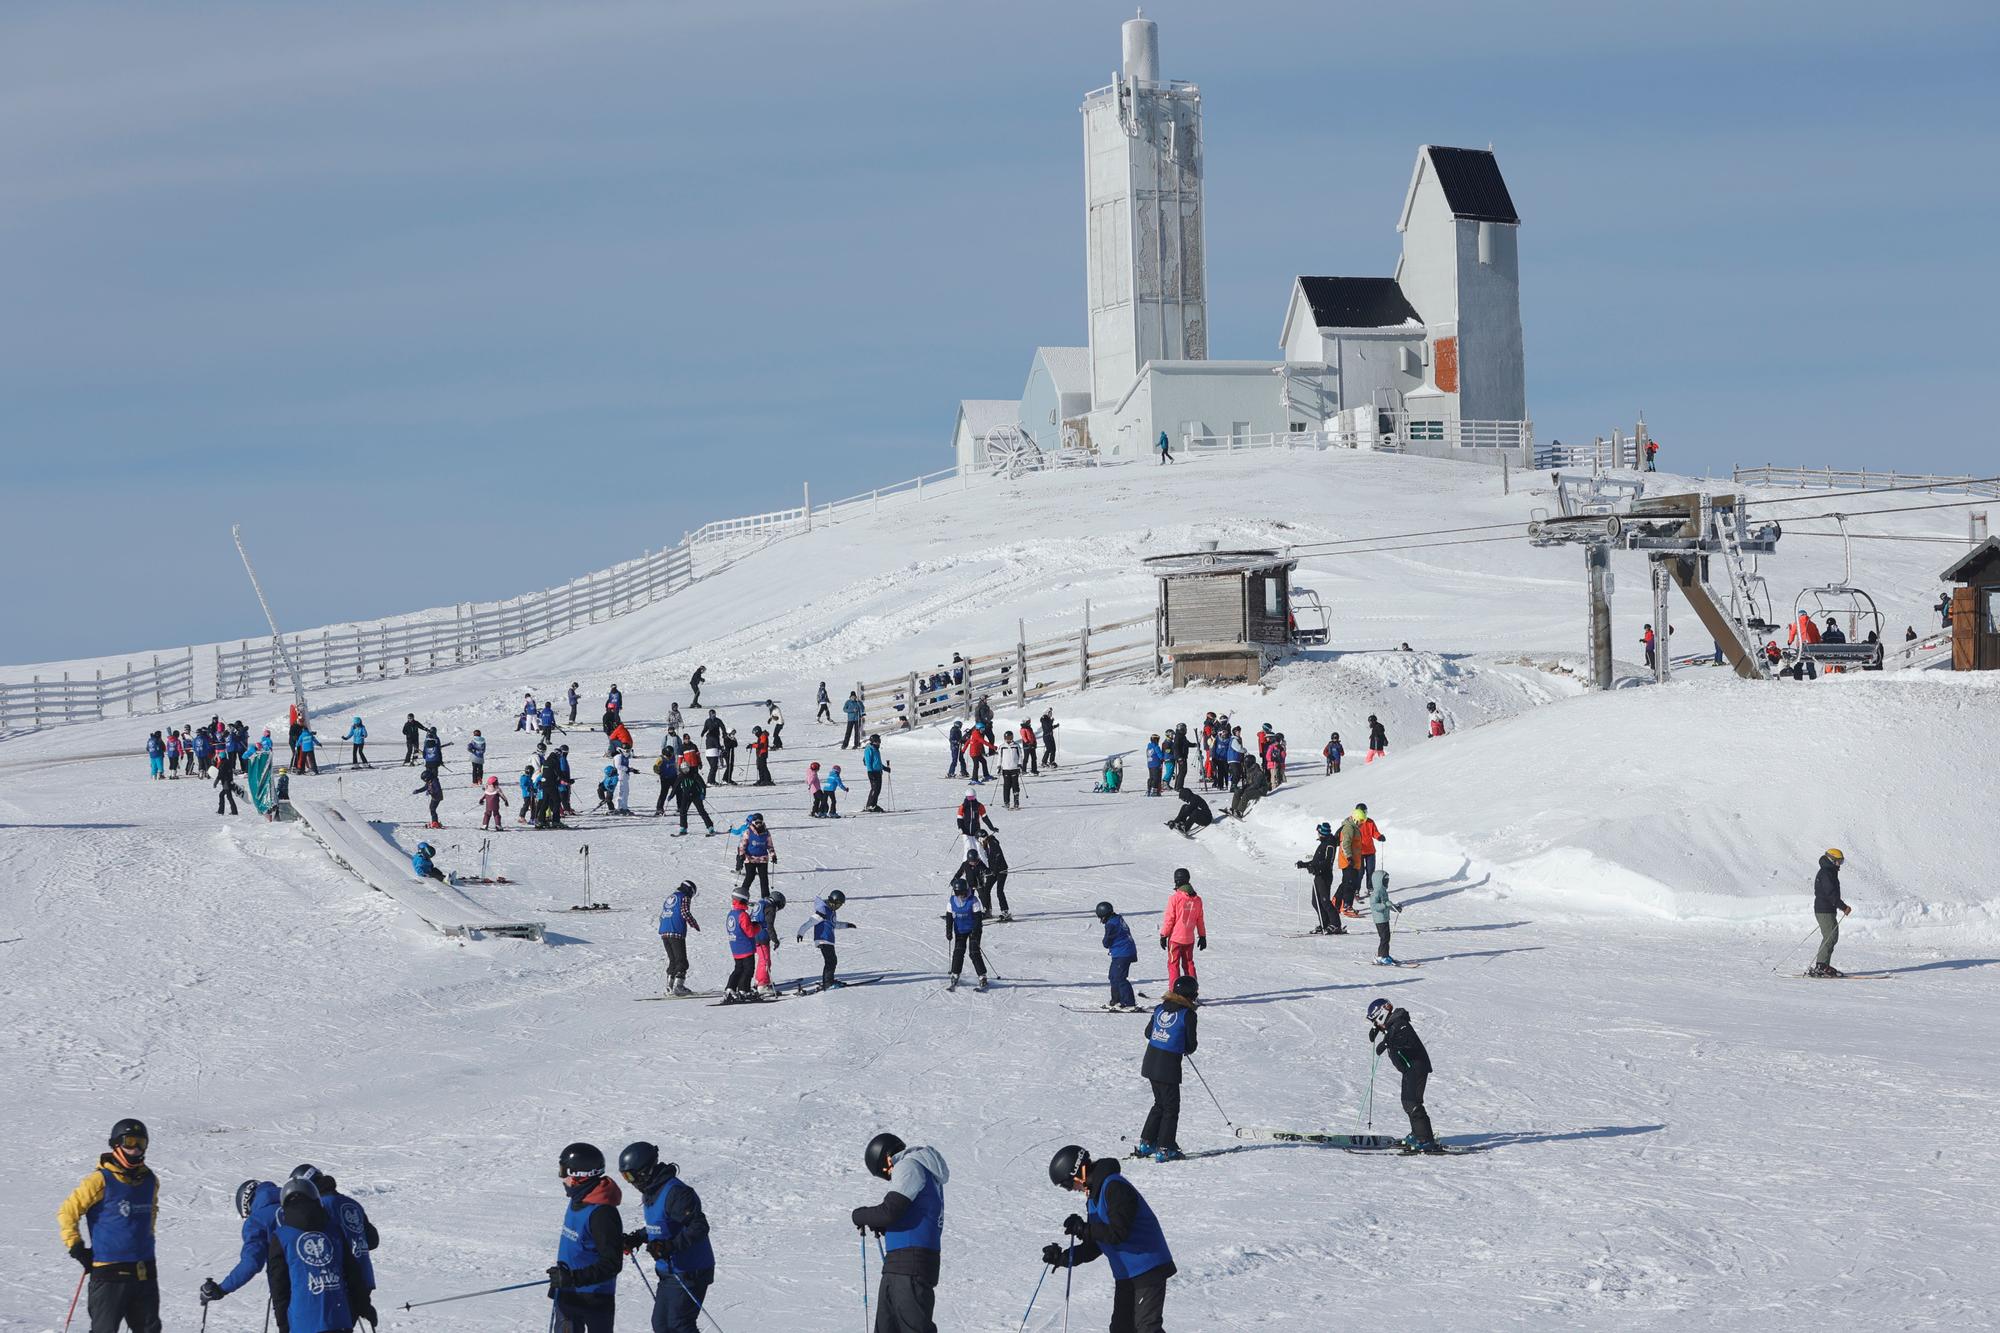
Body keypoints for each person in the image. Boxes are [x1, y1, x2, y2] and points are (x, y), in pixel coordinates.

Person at [1041, 1145, 1176, 1333]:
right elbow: (1096, 1244)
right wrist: (1064, 1257)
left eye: (1068, 1184)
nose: (1071, 1190)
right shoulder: (1093, 1198)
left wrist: (1084, 1229)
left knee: (1147, 1328)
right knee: (1121, 1329)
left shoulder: (1115, 1187)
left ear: (1078, 1172)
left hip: (1147, 1266)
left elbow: (1118, 1233)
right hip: (1126, 1274)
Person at [59, 1118, 162, 1333]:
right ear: (116, 1144)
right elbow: (68, 1212)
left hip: (144, 1271)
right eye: (129, 1142)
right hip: (109, 1273)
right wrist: (77, 1247)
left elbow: (150, 1216)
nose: (135, 1149)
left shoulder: (150, 1180)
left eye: (140, 1143)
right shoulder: (99, 1180)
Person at [850, 1134, 947, 1333]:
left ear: (887, 1158)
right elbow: (914, 1215)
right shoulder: (927, 1175)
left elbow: (890, 1211)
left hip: (909, 1266)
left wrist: (860, 1215)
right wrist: (886, 1228)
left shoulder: (909, 1165)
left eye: (886, 1172)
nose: (889, 1175)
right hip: (902, 1265)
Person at [617, 1143, 714, 1333]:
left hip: (690, 1270)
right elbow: (662, 1224)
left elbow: (699, 1226)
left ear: (645, 1171)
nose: (630, 1182)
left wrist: (670, 1246)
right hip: (669, 1272)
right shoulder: (652, 1192)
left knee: (679, 1325)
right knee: (662, 1325)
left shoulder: (676, 1192)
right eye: (625, 1177)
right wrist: (637, 1238)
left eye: (630, 1176)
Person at [546, 1143, 623, 1333]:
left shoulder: (602, 1213)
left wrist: (572, 1278)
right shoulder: (579, 1199)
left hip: (593, 1299)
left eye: (565, 1172)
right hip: (567, 1294)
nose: (562, 1178)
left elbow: (612, 1264)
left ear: (580, 1175)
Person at [287, 1164, 379, 1312]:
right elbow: (373, 1240)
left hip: (339, 1281)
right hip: (364, 1277)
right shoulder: (353, 1204)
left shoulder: (321, 1207)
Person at [1137, 976, 1199, 1161]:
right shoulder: (1188, 1014)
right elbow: (1191, 1045)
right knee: (1171, 1108)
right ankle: (1165, 1148)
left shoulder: (1160, 1008)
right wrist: (1180, 1046)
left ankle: (1147, 1142)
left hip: (1150, 1062)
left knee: (1160, 1104)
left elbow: (1149, 1033)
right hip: (1168, 1066)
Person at [200, 1178, 281, 1316]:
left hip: (290, 1283)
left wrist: (222, 1289)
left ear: (247, 1205)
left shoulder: (257, 1221)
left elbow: (252, 1263)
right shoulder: (298, 1204)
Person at [1369, 998, 1441, 1153]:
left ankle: (1425, 1140)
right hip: (1411, 1069)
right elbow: (1393, 1035)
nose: (1376, 1024)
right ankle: (1418, 1134)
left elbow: (1406, 1041)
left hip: (1416, 1066)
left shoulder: (1400, 1024)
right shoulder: (1394, 1025)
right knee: (1408, 1102)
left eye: (1376, 1021)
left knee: (1412, 1103)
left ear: (1382, 1014)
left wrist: (1387, 1043)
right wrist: (1380, 1031)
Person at [798, 889, 855, 991]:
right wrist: (801, 932)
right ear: (833, 901)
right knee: (831, 961)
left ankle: (829, 981)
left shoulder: (830, 911)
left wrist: (847, 925)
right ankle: (828, 983)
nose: (839, 907)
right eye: (838, 904)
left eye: (840, 905)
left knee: (831, 961)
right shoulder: (823, 910)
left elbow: (834, 924)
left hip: (828, 940)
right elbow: (811, 922)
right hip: (823, 939)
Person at [943, 871, 991, 991]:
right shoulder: (952, 901)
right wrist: (948, 931)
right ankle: (955, 974)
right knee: (958, 951)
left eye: (962, 893)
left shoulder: (973, 900)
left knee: (974, 952)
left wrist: (975, 931)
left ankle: (982, 976)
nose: (961, 896)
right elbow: (949, 917)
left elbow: (978, 918)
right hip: (960, 930)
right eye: (958, 893)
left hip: (974, 929)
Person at [1158, 870, 1205, 989]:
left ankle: (1174, 991)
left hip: (1175, 939)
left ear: (1177, 881)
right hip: (1189, 939)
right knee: (1188, 963)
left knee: (1173, 964)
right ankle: (1192, 991)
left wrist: (1164, 935)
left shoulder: (1175, 898)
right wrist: (1202, 936)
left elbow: (1170, 919)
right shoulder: (1197, 899)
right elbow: (1200, 919)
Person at [1809, 848, 1852, 977]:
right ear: (1831, 860)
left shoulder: (1829, 872)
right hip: (1824, 909)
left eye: (1841, 861)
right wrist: (1843, 907)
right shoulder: (1826, 873)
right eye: (1839, 861)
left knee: (1831, 936)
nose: (1840, 864)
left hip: (1826, 909)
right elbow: (1830, 893)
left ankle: (1823, 965)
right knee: (1830, 937)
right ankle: (1821, 966)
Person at [1298, 821, 1343, 935]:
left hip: (1325, 876)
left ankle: (1335, 924)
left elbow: (1328, 861)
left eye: (1318, 832)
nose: (1317, 834)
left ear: (1321, 833)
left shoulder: (1330, 844)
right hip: (1318, 876)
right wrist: (1304, 864)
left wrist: (1317, 868)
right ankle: (1325, 923)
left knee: (1325, 902)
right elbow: (1315, 862)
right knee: (1315, 902)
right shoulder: (1323, 843)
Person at [1096, 901, 1140, 1011]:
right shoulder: (1117, 919)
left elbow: (1107, 942)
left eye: (1101, 918)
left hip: (1123, 953)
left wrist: (1105, 942)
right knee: (1113, 976)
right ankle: (1116, 1000)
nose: (1101, 920)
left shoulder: (1111, 924)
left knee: (1119, 978)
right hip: (1122, 952)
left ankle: (1129, 1003)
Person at [721, 889, 760, 1002]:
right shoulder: (743, 915)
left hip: (736, 947)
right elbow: (750, 932)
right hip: (746, 947)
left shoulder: (731, 914)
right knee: (748, 969)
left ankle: (730, 988)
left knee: (738, 969)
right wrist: (758, 927)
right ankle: (744, 990)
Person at [749, 890, 787, 998]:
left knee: (762, 960)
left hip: (753, 935)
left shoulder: (760, 903)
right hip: (761, 937)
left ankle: (758, 981)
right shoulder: (770, 908)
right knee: (765, 961)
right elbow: (769, 925)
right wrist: (775, 940)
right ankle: (762, 985)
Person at [1368, 865, 1403, 964]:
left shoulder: (1383, 892)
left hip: (1385, 918)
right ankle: (1381, 956)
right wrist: (1385, 904)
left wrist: (1395, 908)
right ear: (1379, 881)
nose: (1386, 882)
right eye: (1385, 880)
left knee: (1387, 937)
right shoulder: (1376, 893)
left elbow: (1387, 904)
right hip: (1379, 919)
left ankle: (1385, 955)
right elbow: (1374, 906)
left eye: (1387, 880)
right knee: (1384, 937)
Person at [975, 831, 1011, 920]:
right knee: (986, 890)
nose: (979, 842)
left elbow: (998, 856)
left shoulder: (992, 842)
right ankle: (987, 911)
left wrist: (995, 870)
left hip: (1001, 870)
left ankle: (1005, 912)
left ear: (981, 838)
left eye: (979, 840)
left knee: (999, 891)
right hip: (994, 871)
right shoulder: (987, 844)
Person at [673, 763, 715, 837]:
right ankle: (683, 828)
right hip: (686, 796)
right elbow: (675, 787)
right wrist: (671, 795)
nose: (686, 771)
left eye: (687, 769)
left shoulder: (694, 774)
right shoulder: (681, 776)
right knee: (682, 811)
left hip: (696, 795)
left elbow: (702, 785)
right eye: (684, 770)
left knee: (701, 811)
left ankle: (710, 827)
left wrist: (702, 794)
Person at [954, 788, 997, 856]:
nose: (971, 799)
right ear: (966, 797)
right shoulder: (963, 806)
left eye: (972, 797)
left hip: (976, 831)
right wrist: (960, 828)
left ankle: (983, 862)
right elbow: (959, 818)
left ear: (975, 796)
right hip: (965, 831)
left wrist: (991, 827)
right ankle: (967, 863)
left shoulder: (979, 806)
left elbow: (985, 818)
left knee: (979, 848)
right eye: (969, 798)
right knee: (967, 849)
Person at [861, 734, 891, 812]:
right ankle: (870, 805)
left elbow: (877, 762)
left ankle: (873, 804)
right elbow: (868, 761)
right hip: (872, 772)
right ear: (874, 741)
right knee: (874, 788)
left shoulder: (876, 749)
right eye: (878, 741)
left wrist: (884, 768)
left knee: (878, 789)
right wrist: (870, 772)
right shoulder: (869, 749)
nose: (879, 743)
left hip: (878, 772)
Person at [997, 730, 1023, 809]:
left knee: (1015, 786)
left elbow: (1020, 756)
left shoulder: (1016, 746)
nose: (1008, 739)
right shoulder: (1002, 746)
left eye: (1009, 738)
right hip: (1005, 769)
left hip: (1014, 768)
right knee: (1006, 786)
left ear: (1012, 738)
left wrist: (1020, 765)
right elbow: (999, 757)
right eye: (1006, 738)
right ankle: (1006, 803)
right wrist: (999, 766)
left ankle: (1016, 803)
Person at [214, 746, 242, 815]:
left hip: (226, 783)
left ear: (221, 757)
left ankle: (232, 811)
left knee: (229, 797)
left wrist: (215, 782)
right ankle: (223, 811)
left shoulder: (222, 764)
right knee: (222, 795)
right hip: (229, 781)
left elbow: (220, 774)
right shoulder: (228, 762)